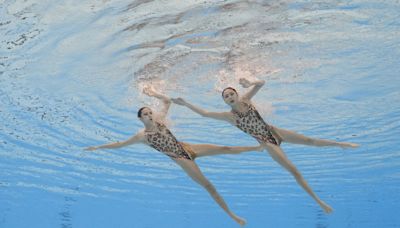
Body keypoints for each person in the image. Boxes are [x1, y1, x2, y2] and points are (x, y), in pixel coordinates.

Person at [172, 77, 359, 213]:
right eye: (226, 96)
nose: (229, 97)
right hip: (266, 142)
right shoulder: (228, 117)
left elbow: (261, 83)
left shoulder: (246, 99)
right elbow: (204, 114)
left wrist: (250, 82)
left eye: (231, 93)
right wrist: (185, 103)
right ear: (224, 101)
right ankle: (320, 202)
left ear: (237, 94)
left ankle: (340, 144)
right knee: (294, 170)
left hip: (274, 130)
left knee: (310, 141)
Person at [85, 86, 263, 226]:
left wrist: (153, 93)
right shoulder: (142, 137)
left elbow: (167, 101)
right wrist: (98, 147)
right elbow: (120, 145)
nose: (149, 115)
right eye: (145, 114)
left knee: (225, 148)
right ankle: (233, 217)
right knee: (209, 186)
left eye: (150, 112)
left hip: (187, 147)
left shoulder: (160, 120)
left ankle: (256, 148)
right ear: (140, 119)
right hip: (182, 159)